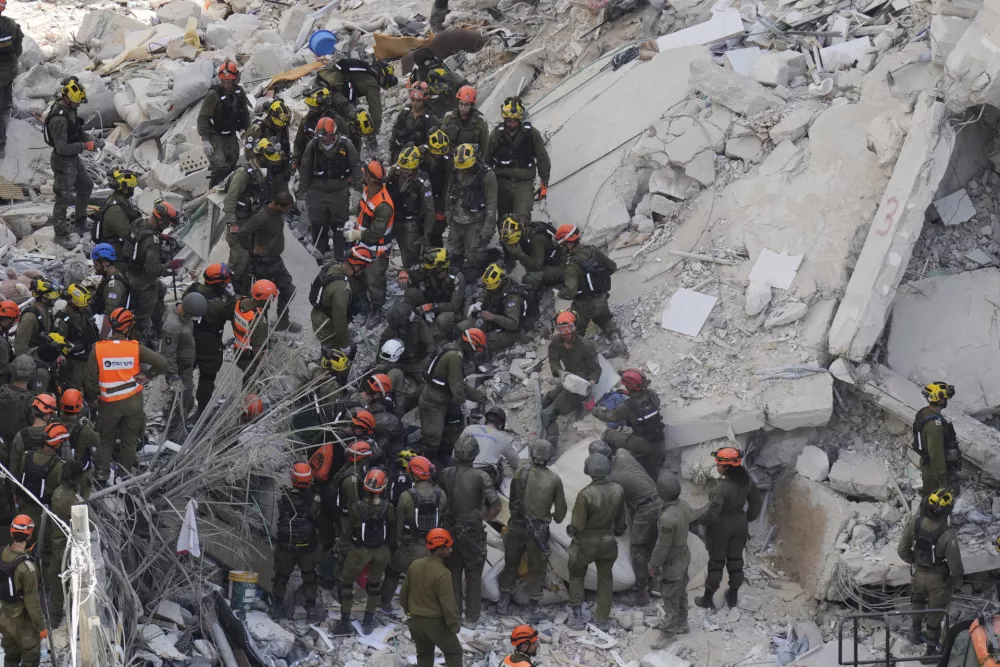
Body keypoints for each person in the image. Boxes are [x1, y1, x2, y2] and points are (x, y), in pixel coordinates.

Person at [84, 307, 168, 483]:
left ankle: (102, 473)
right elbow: (162, 363)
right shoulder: (135, 348)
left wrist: (93, 398)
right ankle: (124, 474)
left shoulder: (98, 349)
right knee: (129, 441)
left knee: (106, 439)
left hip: (109, 404)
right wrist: (147, 375)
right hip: (133, 402)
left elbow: (90, 379)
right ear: (128, 327)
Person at [497, 439, 566, 621]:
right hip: (538, 531)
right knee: (537, 569)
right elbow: (560, 513)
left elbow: (512, 501)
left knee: (511, 563)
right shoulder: (554, 479)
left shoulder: (521, 473)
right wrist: (550, 516)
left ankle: (503, 603)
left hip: (516, 526)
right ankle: (531, 610)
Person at [439, 434, 501, 625]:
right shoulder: (481, 476)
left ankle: (455, 615)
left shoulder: (445, 473)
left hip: (450, 531)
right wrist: (483, 517)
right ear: (475, 454)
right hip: (473, 532)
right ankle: (472, 618)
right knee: (474, 576)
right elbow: (496, 506)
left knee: (453, 574)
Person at [588, 441, 659, 606]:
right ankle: (655, 582)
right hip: (657, 498)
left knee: (638, 550)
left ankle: (640, 594)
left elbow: (617, 509)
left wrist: (618, 529)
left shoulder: (614, 478)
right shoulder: (622, 453)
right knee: (652, 544)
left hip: (646, 509)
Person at [897, 489, 963, 659]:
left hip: (918, 575)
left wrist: (915, 561)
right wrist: (956, 582)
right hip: (938, 580)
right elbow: (956, 567)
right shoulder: (948, 535)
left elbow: (902, 550)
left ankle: (915, 634)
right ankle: (931, 650)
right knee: (935, 613)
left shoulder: (915, 523)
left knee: (917, 604)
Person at [695, 447, 762, 610]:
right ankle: (733, 596)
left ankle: (708, 599)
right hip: (740, 525)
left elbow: (712, 515)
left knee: (717, 563)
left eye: (718, 463)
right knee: (735, 561)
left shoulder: (720, 489)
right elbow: (756, 503)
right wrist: (747, 518)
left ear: (726, 467)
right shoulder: (747, 482)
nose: (716, 466)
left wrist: (700, 521)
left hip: (721, 529)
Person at [332, 468, 396, 636]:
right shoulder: (388, 507)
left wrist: (343, 545)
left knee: (346, 583)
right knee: (374, 585)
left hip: (360, 550)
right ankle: (368, 621)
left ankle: (345, 621)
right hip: (381, 551)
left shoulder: (357, 507)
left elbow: (348, 529)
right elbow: (391, 526)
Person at [566, 453, 626, 631]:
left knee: (577, 575)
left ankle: (577, 617)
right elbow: (620, 523)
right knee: (605, 579)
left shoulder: (585, 494)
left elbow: (578, 524)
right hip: (608, 542)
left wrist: (571, 530)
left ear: (588, 470)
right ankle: (602, 619)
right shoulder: (618, 490)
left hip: (586, 543)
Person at [382, 456, 448, 613]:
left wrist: (397, 545)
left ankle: (385, 602)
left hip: (410, 546)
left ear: (415, 475)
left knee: (393, 570)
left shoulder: (406, 496)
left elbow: (399, 525)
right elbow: (443, 519)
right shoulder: (441, 495)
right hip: (431, 548)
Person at [554, 224, 628, 357]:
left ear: (568, 244)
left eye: (563, 245)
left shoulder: (572, 265)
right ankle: (615, 337)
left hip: (584, 305)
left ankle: (582, 353)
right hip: (602, 297)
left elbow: (570, 292)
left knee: (576, 330)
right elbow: (612, 267)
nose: (562, 248)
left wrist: (559, 294)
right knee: (605, 320)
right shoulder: (592, 250)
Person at [418, 328, 487, 462]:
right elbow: (457, 385)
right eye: (473, 350)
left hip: (442, 397)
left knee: (451, 429)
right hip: (434, 402)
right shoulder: (455, 357)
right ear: (468, 344)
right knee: (432, 438)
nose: (473, 354)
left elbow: (457, 383)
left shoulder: (450, 347)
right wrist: (462, 402)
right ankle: (427, 462)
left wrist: (480, 397)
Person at [298, 116, 363, 258]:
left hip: (339, 193)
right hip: (317, 193)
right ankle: (319, 258)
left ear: (333, 134)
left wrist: (358, 191)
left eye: (325, 136)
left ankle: (340, 259)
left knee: (340, 227)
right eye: (320, 136)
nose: (322, 139)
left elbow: (356, 167)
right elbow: (305, 170)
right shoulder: (313, 147)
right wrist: (301, 195)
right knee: (317, 226)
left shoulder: (346, 145)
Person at [44, 75, 94, 249]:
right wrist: (84, 146)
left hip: (73, 159)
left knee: (86, 185)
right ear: (69, 99)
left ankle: (80, 221)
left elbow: (76, 130)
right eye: (78, 102)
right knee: (63, 198)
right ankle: (61, 235)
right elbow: (62, 148)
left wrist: (88, 139)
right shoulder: (58, 119)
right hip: (63, 162)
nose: (79, 105)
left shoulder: (70, 109)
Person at [238, 192, 300, 331]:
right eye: (286, 208)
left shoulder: (277, 213)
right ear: (278, 205)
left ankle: (283, 322)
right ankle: (261, 330)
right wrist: (252, 249)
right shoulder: (261, 217)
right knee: (263, 300)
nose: (288, 211)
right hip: (263, 265)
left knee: (289, 290)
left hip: (276, 261)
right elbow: (242, 233)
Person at [400, 528, 462, 667]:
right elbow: (448, 604)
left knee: (424, 654)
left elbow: (404, 594)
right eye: (448, 547)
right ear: (439, 549)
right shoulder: (443, 573)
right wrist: (453, 624)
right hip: (435, 623)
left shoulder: (415, 565)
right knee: (454, 652)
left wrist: (409, 612)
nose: (451, 550)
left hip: (415, 621)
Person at [271, 463, 326, 622]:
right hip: (307, 546)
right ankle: (310, 607)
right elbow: (316, 518)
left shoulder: (283, 497)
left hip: (286, 545)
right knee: (309, 576)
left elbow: (280, 517)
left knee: (281, 575)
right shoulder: (315, 498)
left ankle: (277, 606)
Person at [126, 198, 183, 346]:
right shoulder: (152, 241)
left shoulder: (138, 223)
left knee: (161, 288)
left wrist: (160, 235)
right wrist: (170, 265)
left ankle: (158, 326)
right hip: (143, 282)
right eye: (166, 224)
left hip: (130, 270)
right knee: (143, 318)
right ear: (161, 221)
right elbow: (154, 270)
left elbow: (140, 239)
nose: (166, 227)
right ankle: (142, 345)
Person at [227, 139, 282, 292]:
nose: (271, 164)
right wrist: (233, 224)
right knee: (239, 259)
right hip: (239, 221)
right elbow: (229, 200)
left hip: (252, 222)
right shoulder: (243, 174)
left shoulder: (262, 173)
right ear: (261, 157)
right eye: (269, 161)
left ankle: (242, 290)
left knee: (249, 261)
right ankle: (229, 290)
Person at [592, 368, 665, 480]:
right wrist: (631, 394)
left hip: (642, 442)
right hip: (659, 439)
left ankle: (609, 468)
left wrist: (593, 409)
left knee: (608, 436)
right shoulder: (652, 394)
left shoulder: (627, 406)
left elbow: (609, 416)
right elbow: (653, 402)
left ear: (629, 386)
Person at [487, 97, 551, 224]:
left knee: (522, 219)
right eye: (509, 121)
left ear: (520, 119)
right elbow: (486, 161)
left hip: (524, 183)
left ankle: (522, 242)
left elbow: (542, 158)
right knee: (504, 220)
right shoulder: (495, 136)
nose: (511, 124)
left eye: (515, 121)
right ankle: (505, 243)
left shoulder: (532, 134)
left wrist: (544, 183)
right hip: (501, 183)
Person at [344, 160, 395, 321]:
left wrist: (357, 235)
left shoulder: (384, 204)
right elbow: (361, 210)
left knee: (375, 280)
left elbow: (375, 233)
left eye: (365, 173)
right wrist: (353, 219)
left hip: (377, 249)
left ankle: (376, 308)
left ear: (372, 178)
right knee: (354, 271)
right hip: (361, 244)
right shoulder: (368, 190)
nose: (362, 175)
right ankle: (361, 300)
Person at [184, 264, 236, 417]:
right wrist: (232, 297)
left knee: (185, 373)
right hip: (209, 345)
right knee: (207, 377)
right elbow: (232, 313)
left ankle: (181, 406)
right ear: (219, 284)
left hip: (188, 338)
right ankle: (201, 411)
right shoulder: (218, 306)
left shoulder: (192, 289)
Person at [648, 471, 693, 647]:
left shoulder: (667, 518)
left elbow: (662, 547)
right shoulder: (683, 506)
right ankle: (683, 623)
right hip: (684, 556)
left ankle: (668, 633)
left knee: (669, 596)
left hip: (673, 563)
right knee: (681, 591)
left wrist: (653, 565)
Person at [543, 311, 601, 444]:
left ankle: (551, 444)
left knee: (547, 413)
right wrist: (560, 372)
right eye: (561, 329)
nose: (565, 333)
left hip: (580, 386)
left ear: (574, 327)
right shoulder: (556, 342)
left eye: (568, 328)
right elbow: (554, 360)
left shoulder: (585, 345)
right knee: (547, 399)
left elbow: (596, 370)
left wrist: (590, 383)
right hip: (567, 378)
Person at [321, 438, 374, 584]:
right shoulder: (352, 480)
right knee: (343, 550)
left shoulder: (347, 469)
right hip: (346, 520)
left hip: (340, 515)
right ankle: (334, 580)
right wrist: (358, 527)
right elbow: (354, 507)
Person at [0, 516, 46, 667]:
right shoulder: (28, 568)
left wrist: (25, 553)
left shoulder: (2, 553)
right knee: (31, 656)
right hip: (22, 620)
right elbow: (32, 602)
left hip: (4, 616)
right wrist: (41, 627)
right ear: (30, 535)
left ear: (12, 533)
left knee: (11, 655)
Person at [445, 143, 497, 278]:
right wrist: (448, 210)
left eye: (466, 168)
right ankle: (455, 275)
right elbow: (450, 189)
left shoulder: (487, 175)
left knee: (474, 254)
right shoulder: (456, 169)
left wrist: (488, 227)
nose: (463, 171)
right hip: (457, 217)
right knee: (453, 250)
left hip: (476, 220)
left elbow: (491, 203)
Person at [315, 58, 397, 140]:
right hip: (333, 91)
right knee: (354, 120)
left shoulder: (363, 68)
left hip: (320, 80)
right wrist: (372, 134)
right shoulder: (372, 83)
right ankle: (347, 141)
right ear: (383, 76)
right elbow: (376, 113)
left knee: (354, 104)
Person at [399, 247, 466, 343]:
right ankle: (410, 322)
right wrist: (402, 273)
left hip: (449, 308)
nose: (430, 271)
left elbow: (454, 306)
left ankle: (446, 337)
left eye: (434, 270)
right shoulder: (428, 268)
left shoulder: (457, 278)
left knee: (442, 320)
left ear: (441, 267)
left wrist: (432, 307)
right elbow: (409, 271)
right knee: (411, 293)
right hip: (432, 298)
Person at [198, 61, 249, 186]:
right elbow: (203, 118)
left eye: (229, 82)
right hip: (216, 135)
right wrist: (205, 140)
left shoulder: (239, 92)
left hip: (231, 134)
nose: (226, 85)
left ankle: (227, 189)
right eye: (223, 82)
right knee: (220, 167)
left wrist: (244, 129)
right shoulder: (213, 95)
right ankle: (213, 190)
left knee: (232, 164)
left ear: (235, 80)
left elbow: (244, 112)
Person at [499, 215, 564, 313]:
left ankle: (532, 308)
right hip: (543, 260)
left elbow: (536, 267)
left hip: (558, 265)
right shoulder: (521, 231)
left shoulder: (536, 239)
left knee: (530, 278)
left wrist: (520, 255)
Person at [48, 460, 85, 628]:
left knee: (56, 581)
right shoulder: (75, 501)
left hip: (56, 541)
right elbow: (83, 526)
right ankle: (73, 618)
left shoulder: (57, 492)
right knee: (74, 582)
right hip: (69, 546)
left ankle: (55, 617)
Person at [458, 263, 527, 352]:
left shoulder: (512, 298)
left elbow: (513, 323)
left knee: (480, 342)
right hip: (494, 318)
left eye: (491, 288)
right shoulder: (495, 285)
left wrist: (493, 317)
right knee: (463, 328)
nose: (489, 289)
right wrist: (479, 302)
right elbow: (484, 291)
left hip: (510, 331)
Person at [386, 145, 435, 269]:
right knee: (381, 249)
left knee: (410, 258)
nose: (404, 171)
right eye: (402, 168)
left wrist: (426, 234)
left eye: (407, 169)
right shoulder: (394, 173)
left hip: (410, 224)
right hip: (390, 218)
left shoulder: (423, 182)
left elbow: (429, 209)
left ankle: (410, 279)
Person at [161, 291, 207, 419]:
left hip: (185, 365)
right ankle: (175, 424)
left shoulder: (181, 307)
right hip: (179, 368)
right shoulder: (172, 326)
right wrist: (173, 376)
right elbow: (168, 353)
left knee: (186, 395)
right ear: (187, 312)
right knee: (182, 400)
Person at [309, 248, 368, 348]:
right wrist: (345, 346)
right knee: (332, 352)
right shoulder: (342, 289)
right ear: (356, 266)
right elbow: (339, 320)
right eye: (362, 269)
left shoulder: (333, 266)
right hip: (326, 325)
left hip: (319, 315)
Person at [913, 382, 961, 496]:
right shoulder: (935, 426)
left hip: (928, 466)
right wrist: (942, 480)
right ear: (940, 399)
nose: (946, 400)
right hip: (934, 472)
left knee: (930, 500)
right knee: (935, 505)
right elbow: (936, 455)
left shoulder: (924, 412)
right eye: (945, 397)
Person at [93, 168, 141, 270]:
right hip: (115, 255)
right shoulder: (115, 209)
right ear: (125, 189)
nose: (132, 190)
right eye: (131, 188)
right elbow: (127, 234)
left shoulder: (121, 200)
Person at [54, 283, 99, 391]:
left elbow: (92, 328)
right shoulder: (63, 320)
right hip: (74, 359)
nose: (87, 308)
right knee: (75, 389)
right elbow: (60, 345)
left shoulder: (85, 311)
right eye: (83, 306)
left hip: (89, 354)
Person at [232, 279, 278, 380]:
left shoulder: (241, 301)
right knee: (253, 379)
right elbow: (258, 351)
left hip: (238, 346)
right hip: (247, 354)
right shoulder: (259, 322)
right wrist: (261, 364)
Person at [58, 389, 96, 499]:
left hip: (61, 473)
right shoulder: (84, 429)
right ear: (79, 406)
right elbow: (99, 441)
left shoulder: (53, 424)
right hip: (81, 474)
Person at [389, 83, 439, 162]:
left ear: (424, 100)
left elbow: (436, 140)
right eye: (412, 100)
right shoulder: (405, 112)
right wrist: (393, 140)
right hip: (403, 150)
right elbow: (396, 127)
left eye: (418, 101)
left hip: (420, 155)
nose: (415, 104)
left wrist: (425, 147)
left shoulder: (431, 118)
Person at [90, 244, 131, 337]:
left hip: (111, 326)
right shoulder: (110, 277)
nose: (94, 268)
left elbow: (110, 315)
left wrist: (102, 339)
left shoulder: (114, 285)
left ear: (104, 263)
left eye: (96, 264)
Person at [0, 0, 23, 156]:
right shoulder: (12, 25)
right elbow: (19, 49)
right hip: (11, 69)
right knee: (7, 88)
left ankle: (1, 143)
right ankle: (7, 106)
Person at [423, 128, 452, 248]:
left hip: (440, 198)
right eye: (436, 152)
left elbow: (448, 188)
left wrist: (441, 210)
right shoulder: (424, 156)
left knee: (436, 230)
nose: (439, 155)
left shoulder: (449, 163)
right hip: (426, 197)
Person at [293, 87, 334, 170]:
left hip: (332, 170)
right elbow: (298, 144)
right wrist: (296, 160)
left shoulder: (336, 122)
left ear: (323, 107)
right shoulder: (305, 122)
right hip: (311, 168)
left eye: (313, 108)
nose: (310, 110)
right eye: (310, 107)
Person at [442, 86, 489, 151]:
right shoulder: (449, 117)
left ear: (472, 105)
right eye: (461, 104)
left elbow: (484, 148)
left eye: (466, 105)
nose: (463, 108)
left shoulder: (481, 122)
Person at [243, 99, 292, 163]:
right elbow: (249, 155)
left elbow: (286, 148)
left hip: (281, 165)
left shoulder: (283, 127)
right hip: (264, 167)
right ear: (273, 118)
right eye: (280, 125)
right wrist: (264, 151)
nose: (282, 126)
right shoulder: (256, 130)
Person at [0, 299, 18, 384]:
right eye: (12, 322)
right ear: (6, 321)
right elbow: (3, 369)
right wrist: (18, 362)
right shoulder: (1, 342)